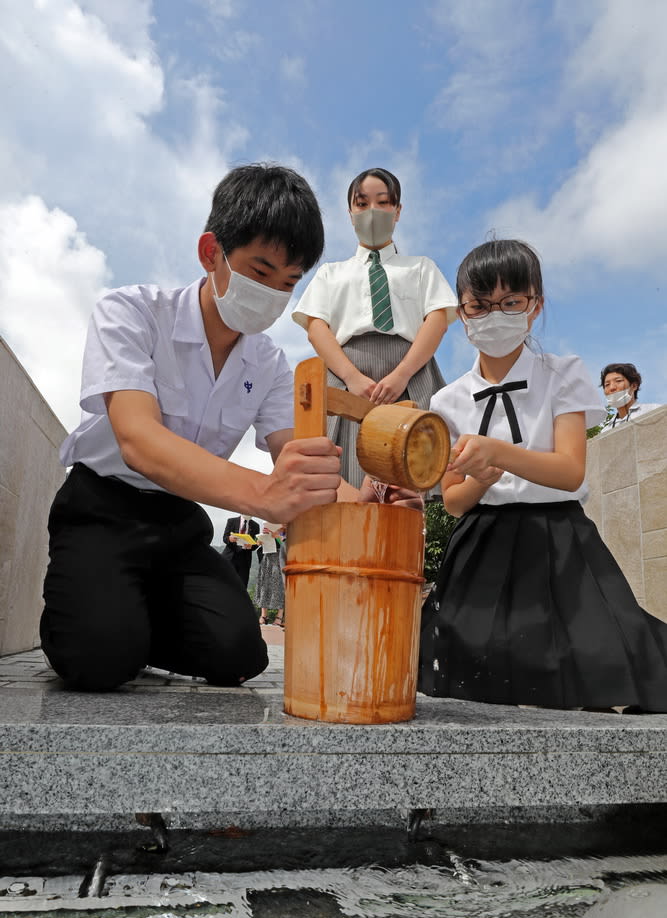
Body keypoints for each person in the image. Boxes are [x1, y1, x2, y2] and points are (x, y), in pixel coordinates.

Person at [41, 163, 343, 693]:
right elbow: (138, 441)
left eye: (289, 283)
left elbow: (297, 459)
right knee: (97, 662)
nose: (273, 293)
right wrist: (263, 496)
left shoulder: (271, 364)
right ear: (211, 253)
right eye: (260, 270)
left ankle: (128, 617)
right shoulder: (132, 312)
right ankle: (103, 618)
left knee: (240, 655)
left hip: (179, 521)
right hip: (101, 507)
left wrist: (374, 499)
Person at [419, 238, 667, 712]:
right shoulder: (448, 400)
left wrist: (499, 453)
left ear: (535, 304)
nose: (496, 315)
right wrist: (483, 479)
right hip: (482, 542)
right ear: (462, 311)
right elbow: (452, 501)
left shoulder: (563, 373)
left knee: (598, 658)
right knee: (476, 671)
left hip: (558, 536)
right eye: (480, 305)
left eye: (511, 302)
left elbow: (571, 472)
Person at [292, 167, 458, 487]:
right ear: (350, 212)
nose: (372, 211)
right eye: (362, 202)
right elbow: (316, 326)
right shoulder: (330, 273)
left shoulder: (421, 268)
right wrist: (352, 377)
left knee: (410, 468)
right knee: (345, 470)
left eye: (383, 202)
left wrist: (402, 374)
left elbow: (436, 321)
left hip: (410, 370)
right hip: (346, 372)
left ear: (398, 211)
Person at [599, 363, 661, 432]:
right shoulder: (605, 430)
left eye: (618, 381)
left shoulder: (653, 410)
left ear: (634, 386)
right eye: (607, 384)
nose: (612, 387)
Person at [254, 523, 285, 626]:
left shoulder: (289, 527)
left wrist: (278, 537)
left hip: (280, 557)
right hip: (267, 555)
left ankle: (279, 616)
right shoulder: (267, 525)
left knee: (279, 585)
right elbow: (258, 542)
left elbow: (287, 545)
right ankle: (263, 615)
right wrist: (260, 540)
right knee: (264, 584)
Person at [222, 513, 261, 587]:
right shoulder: (231, 521)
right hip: (230, 557)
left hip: (245, 559)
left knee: (242, 585)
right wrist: (229, 539)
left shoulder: (256, 525)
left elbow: (255, 544)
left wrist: (251, 546)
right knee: (226, 584)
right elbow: (225, 538)